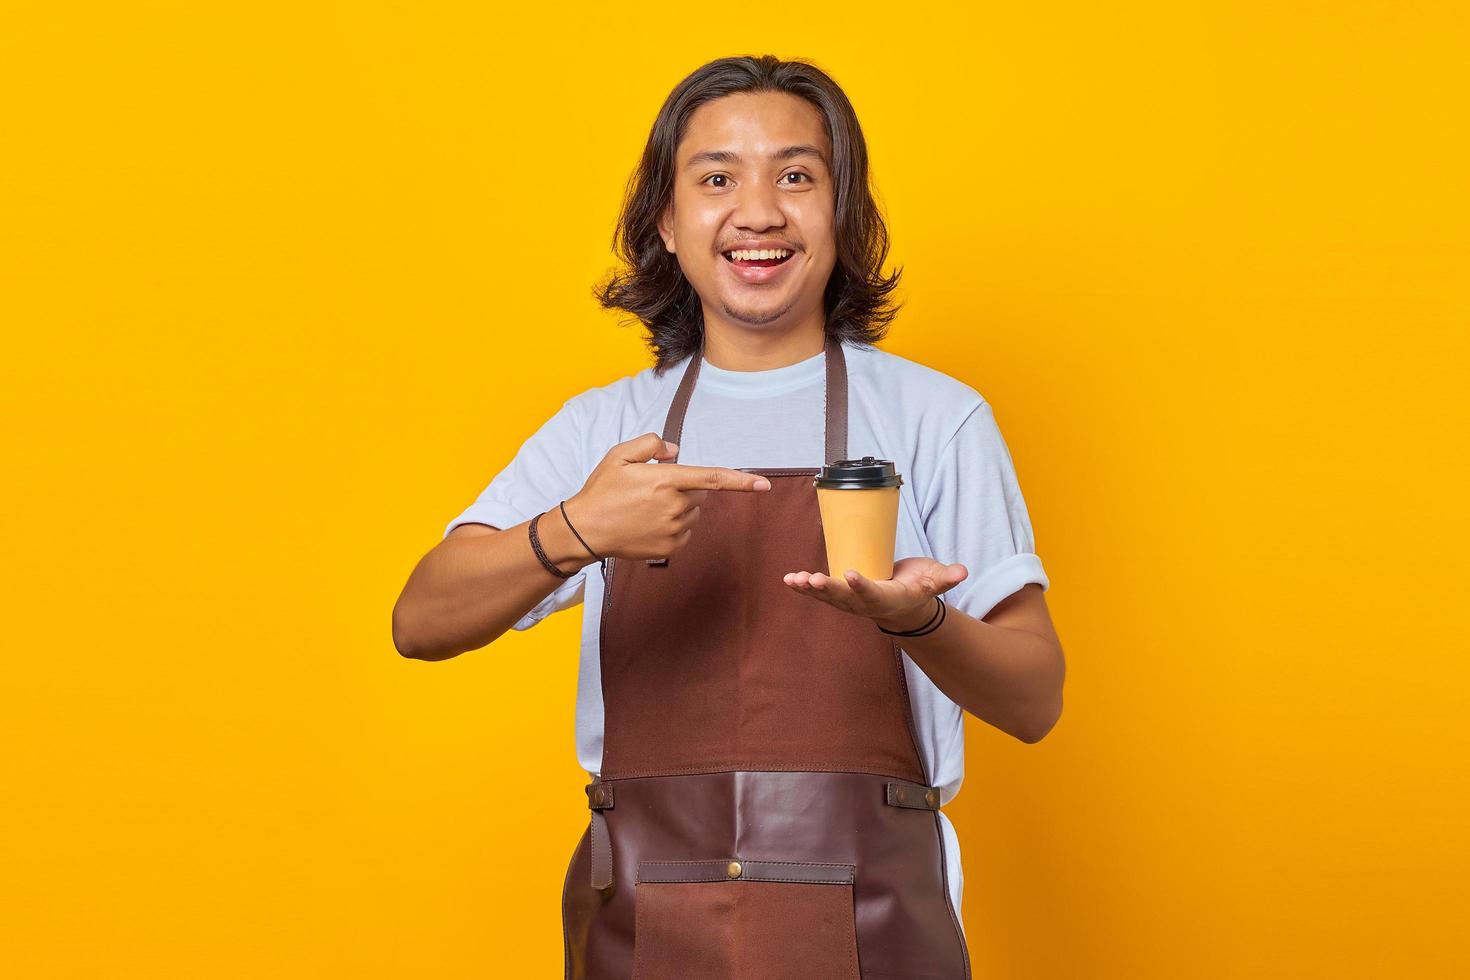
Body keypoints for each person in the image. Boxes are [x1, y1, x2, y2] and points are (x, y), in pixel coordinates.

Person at [393, 54, 1065, 980]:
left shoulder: (935, 419)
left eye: (797, 175)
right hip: (642, 923)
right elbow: (420, 622)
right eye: (717, 178)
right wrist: (579, 530)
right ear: (667, 223)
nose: (758, 211)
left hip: (875, 924)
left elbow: (1035, 700)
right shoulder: (602, 430)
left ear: (843, 215)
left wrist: (919, 620)